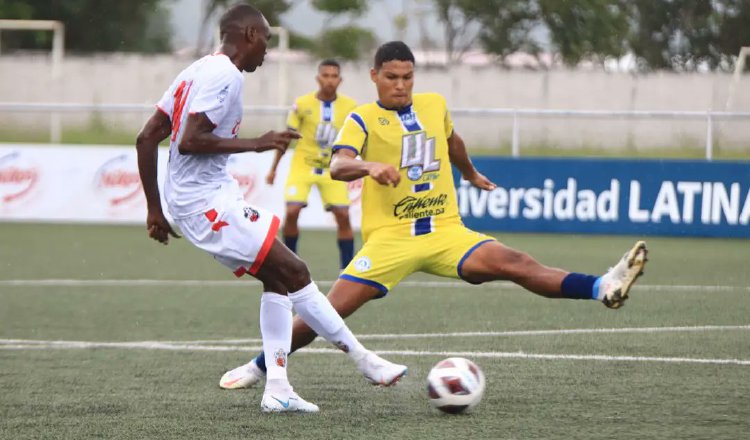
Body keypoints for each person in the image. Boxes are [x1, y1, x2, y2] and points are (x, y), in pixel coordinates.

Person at [218, 41, 648, 390]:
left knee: (515, 263)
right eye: (391, 77)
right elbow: (338, 165)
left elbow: (451, 139)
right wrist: (369, 166)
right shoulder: (362, 118)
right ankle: (260, 367)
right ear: (374, 77)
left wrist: (471, 173)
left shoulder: (434, 104)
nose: (400, 86)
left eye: (407, 77)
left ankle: (602, 286)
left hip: (446, 231)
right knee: (329, 310)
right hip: (390, 239)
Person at [135, 5, 407, 413]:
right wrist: (256, 143)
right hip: (205, 204)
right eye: (264, 38)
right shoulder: (224, 74)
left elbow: (146, 137)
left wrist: (156, 209)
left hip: (205, 199)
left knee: (279, 280)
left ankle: (278, 387)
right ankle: (365, 361)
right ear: (247, 34)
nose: (267, 49)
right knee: (296, 271)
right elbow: (190, 139)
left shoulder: (194, 71)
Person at [265, 59, 357, 269]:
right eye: (325, 75)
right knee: (292, 211)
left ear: (340, 80)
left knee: (343, 215)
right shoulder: (302, 104)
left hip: (332, 170)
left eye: (334, 76)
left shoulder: (350, 107)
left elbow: (357, 137)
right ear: (318, 78)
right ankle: (290, 262)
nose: (330, 80)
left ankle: (348, 269)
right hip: (303, 166)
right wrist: (273, 169)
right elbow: (286, 138)